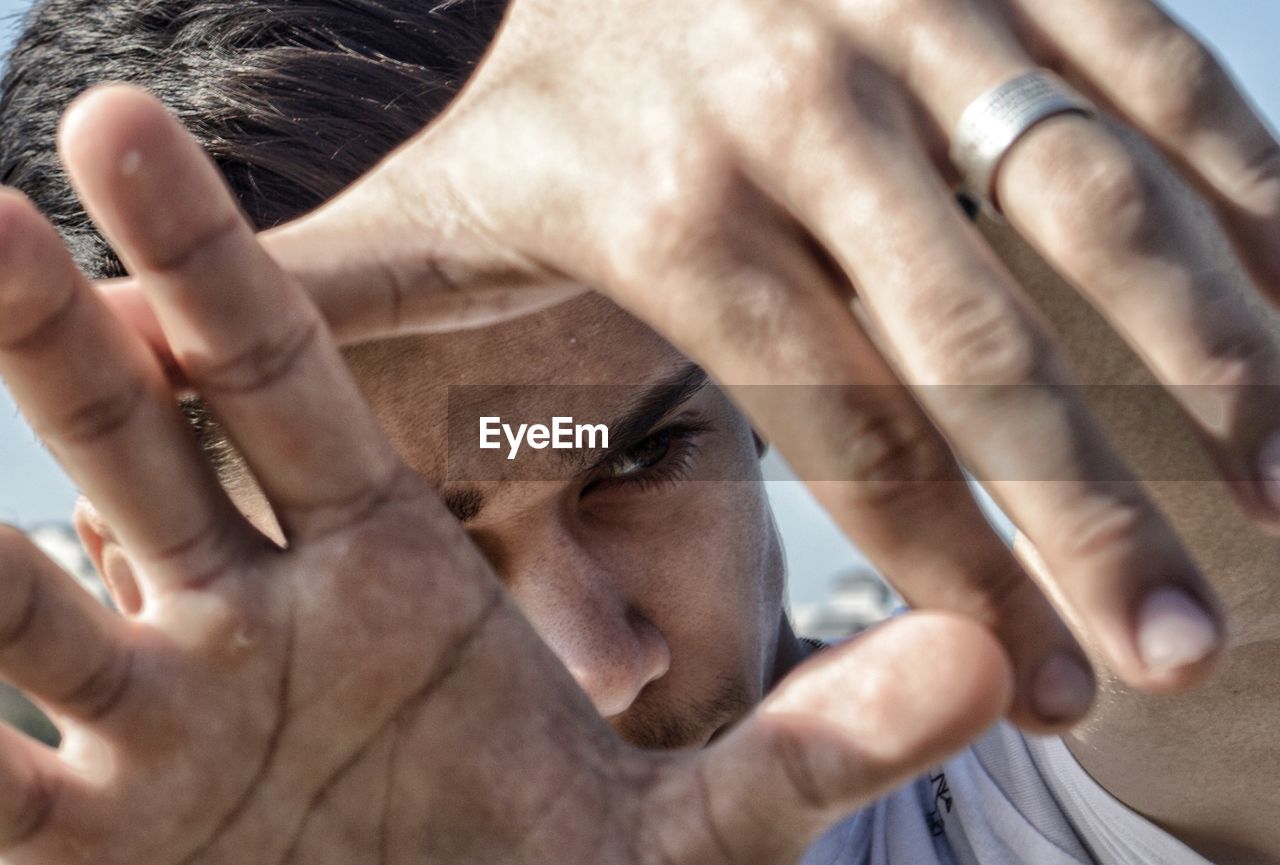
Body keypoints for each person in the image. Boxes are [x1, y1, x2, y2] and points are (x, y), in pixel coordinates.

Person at [0, 0, 1275, 863]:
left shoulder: (994, 794)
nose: (600, 666)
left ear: (762, 393)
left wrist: (903, 91)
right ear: (135, 575)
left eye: (635, 460)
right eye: (407, 546)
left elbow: (1247, 609)